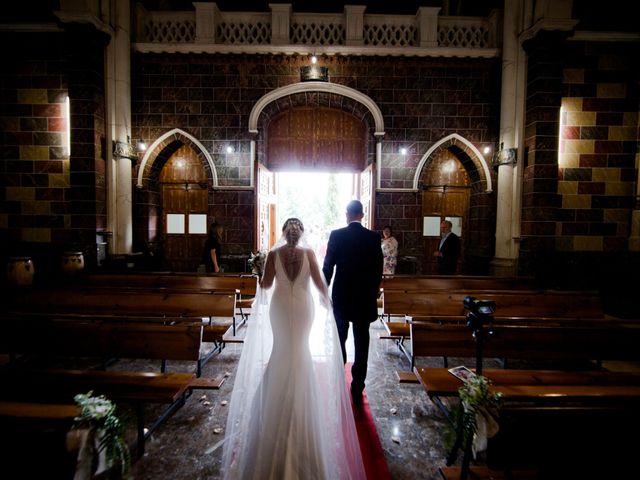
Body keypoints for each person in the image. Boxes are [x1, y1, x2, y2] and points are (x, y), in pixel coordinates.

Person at [222, 218, 365, 480]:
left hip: (279, 308)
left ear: (284, 233)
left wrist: (259, 269)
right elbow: (321, 287)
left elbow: (265, 287)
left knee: (281, 350)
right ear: (301, 235)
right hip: (302, 308)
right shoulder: (309, 253)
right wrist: (328, 306)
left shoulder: (273, 255)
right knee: (300, 351)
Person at [323, 200, 384, 405]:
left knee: (340, 335)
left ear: (347, 214)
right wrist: (375, 290)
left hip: (342, 295)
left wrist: (323, 289)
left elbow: (328, 267)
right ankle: (358, 384)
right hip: (364, 297)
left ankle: (339, 377)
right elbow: (378, 268)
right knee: (362, 339)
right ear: (362, 215)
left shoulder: (337, 235)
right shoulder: (373, 237)